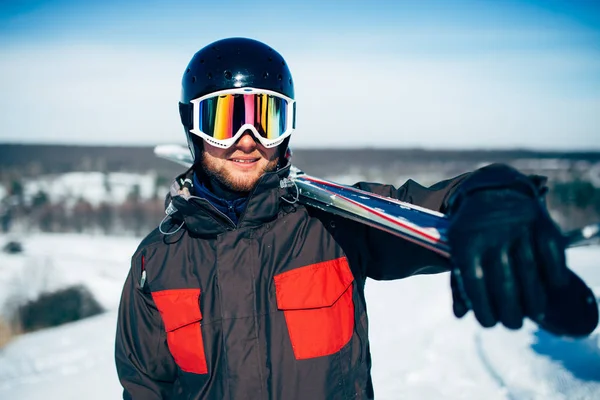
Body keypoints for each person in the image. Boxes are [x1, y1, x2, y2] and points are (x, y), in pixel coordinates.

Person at [115, 37, 598, 400]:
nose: (247, 139)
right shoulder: (155, 265)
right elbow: (144, 387)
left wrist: (492, 194)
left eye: (267, 117)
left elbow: (424, 206)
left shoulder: (332, 225)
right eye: (224, 120)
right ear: (191, 127)